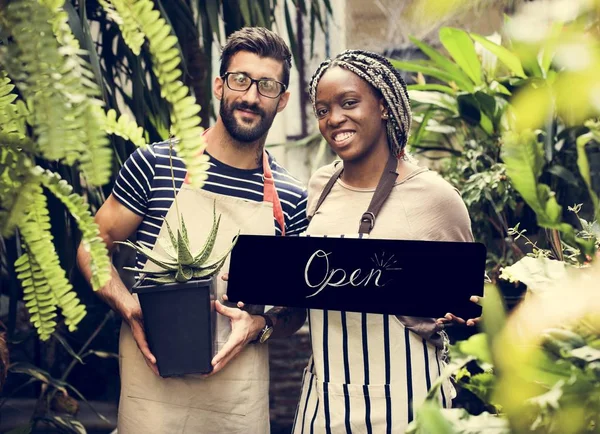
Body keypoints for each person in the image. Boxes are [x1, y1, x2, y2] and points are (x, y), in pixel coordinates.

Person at [77, 27, 308, 434]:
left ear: (283, 99)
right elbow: (91, 242)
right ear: (220, 85)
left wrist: (260, 326)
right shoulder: (156, 164)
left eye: (267, 86)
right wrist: (127, 304)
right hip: (152, 396)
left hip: (237, 404)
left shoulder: (289, 199)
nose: (251, 96)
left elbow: (295, 308)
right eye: (240, 80)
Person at [291, 50, 477, 433]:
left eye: (349, 103)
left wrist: (465, 316)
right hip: (323, 402)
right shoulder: (318, 187)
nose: (334, 119)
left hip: (411, 403)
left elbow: (471, 303)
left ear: (384, 106)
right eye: (323, 110)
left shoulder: (435, 196)